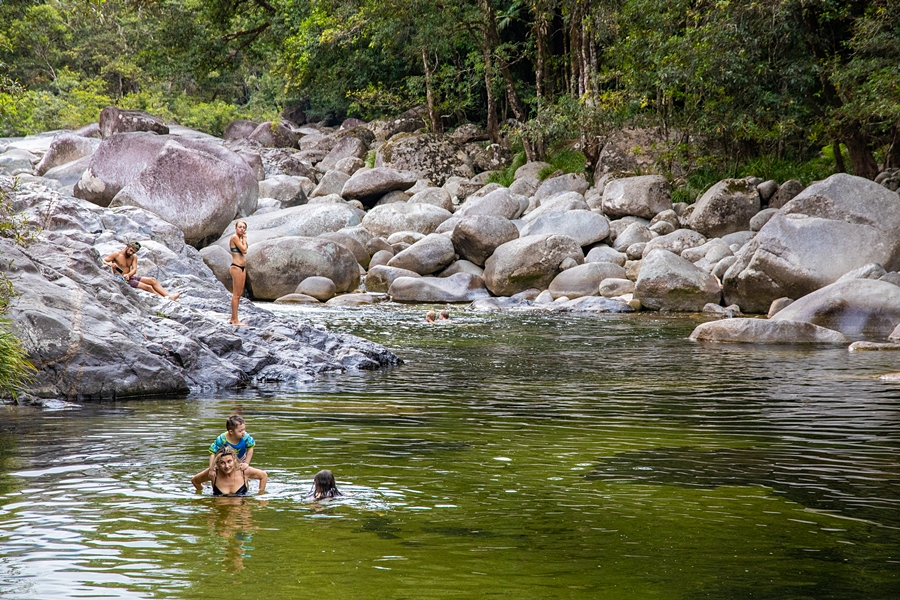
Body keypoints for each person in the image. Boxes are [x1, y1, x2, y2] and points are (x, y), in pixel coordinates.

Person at [103, 242, 181, 301]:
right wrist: (110, 264)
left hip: (129, 277)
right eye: (130, 250)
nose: (131, 253)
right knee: (148, 287)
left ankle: (168, 296)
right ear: (127, 247)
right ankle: (164, 300)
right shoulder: (116, 254)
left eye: (133, 252)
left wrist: (129, 275)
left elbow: (134, 269)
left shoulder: (133, 257)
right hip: (121, 279)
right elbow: (103, 260)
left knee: (152, 280)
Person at [192, 415, 256, 486]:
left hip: (240, 459)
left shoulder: (245, 437)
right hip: (224, 460)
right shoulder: (222, 439)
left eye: (244, 429)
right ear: (231, 432)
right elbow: (212, 452)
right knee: (215, 475)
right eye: (240, 431)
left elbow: (250, 448)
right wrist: (211, 468)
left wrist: (246, 463)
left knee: (243, 475)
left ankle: (244, 488)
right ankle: (215, 490)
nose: (243, 432)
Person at [192, 446, 267, 496]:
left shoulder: (243, 471)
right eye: (222, 463)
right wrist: (204, 492)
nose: (227, 466)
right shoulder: (213, 473)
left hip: (241, 511)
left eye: (229, 461)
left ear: (234, 460)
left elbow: (263, 476)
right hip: (220, 511)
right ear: (217, 463)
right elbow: (195, 481)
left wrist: (261, 495)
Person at [229, 221, 249, 326]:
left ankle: (234, 318)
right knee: (236, 295)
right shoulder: (234, 238)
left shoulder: (240, 239)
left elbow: (244, 249)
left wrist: (244, 240)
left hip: (242, 268)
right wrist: (244, 239)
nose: (242, 229)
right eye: (240, 227)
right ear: (236, 228)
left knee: (239, 294)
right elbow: (244, 250)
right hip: (236, 267)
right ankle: (235, 320)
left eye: (244, 227)